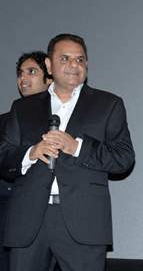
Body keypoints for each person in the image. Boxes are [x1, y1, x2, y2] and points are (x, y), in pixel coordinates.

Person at [0, 33, 135, 271]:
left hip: (83, 222)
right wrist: (30, 153)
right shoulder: (22, 108)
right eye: (65, 59)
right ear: (50, 66)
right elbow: (3, 156)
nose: (74, 65)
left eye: (80, 59)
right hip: (28, 221)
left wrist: (78, 147)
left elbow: (123, 158)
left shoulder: (108, 104)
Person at [0, 51, 52, 269]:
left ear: (49, 78)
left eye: (32, 72)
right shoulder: (3, 121)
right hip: (8, 217)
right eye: (20, 73)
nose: (23, 79)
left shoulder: (67, 120)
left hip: (56, 217)